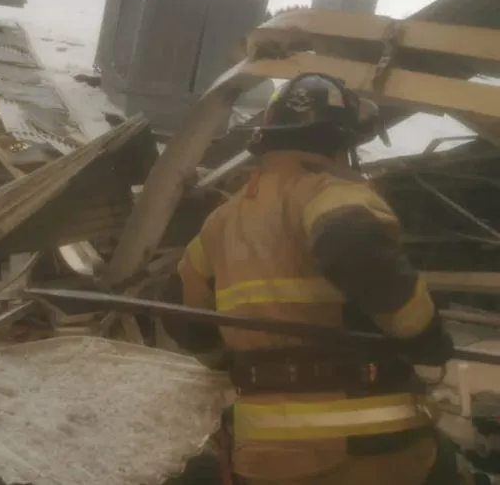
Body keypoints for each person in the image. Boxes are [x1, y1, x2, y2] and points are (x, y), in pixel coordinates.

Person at [174, 73, 467, 485]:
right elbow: (349, 242)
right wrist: (425, 333)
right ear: (342, 142)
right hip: (368, 443)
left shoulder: (221, 223)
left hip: (262, 457)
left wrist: (230, 359)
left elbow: (184, 316)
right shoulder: (325, 191)